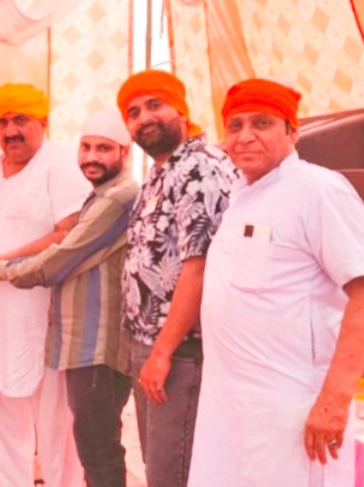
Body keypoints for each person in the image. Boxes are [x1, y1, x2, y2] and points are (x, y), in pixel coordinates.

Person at [188, 79, 364, 486]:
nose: (245, 136)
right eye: (235, 126)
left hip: (295, 413)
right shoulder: (239, 196)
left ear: (292, 131)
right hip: (231, 412)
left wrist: (334, 400)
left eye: (262, 123)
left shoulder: (318, 189)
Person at [0, 109, 139, 487]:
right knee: (86, 439)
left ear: (125, 152)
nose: (91, 157)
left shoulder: (116, 196)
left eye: (103, 148)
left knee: (85, 441)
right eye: (86, 147)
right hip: (42, 328)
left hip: (86, 335)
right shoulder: (98, 193)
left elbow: (63, 253)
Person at [0, 83, 88, 487]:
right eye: (2, 122)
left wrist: (4, 263)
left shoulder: (60, 166)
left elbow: (70, 233)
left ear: (43, 122)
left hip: (42, 315)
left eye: (20, 120)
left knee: (55, 424)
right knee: (0, 417)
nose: (10, 130)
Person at [116, 70, 237, 487]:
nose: (144, 118)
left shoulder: (199, 167)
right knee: (162, 470)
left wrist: (163, 352)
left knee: (173, 475)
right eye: (133, 112)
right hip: (154, 347)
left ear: (181, 111)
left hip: (182, 351)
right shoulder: (161, 171)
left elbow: (199, 267)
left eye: (155, 105)